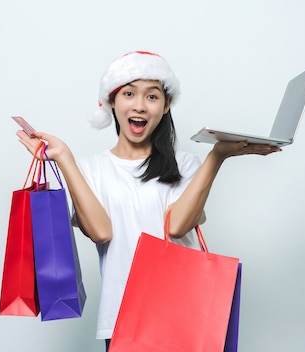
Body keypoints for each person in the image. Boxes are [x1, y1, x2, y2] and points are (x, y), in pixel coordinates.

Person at [16, 51, 280, 350]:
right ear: (111, 102)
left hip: (184, 315)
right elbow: (101, 232)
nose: (139, 105)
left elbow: (178, 226)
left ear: (166, 105)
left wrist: (216, 157)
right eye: (129, 94)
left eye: (152, 97)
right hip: (123, 319)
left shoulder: (186, 165)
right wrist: (64, 158)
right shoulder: (90, 170)